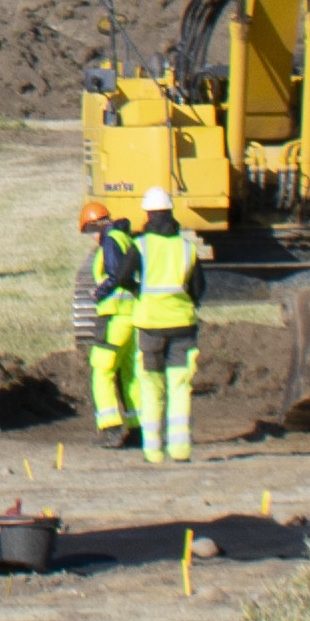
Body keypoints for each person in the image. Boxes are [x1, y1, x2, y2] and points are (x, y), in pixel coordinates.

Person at [105, 183, 206, 463]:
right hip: (182, 326)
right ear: (171, 213)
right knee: (180, 386)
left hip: (150, 326)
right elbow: (198, 288)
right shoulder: (187, 248)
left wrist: (139, 291)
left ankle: (152, 450)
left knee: (150, 385)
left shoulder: (140, 246)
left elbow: (121, 277)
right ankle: (181, 449)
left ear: (147, 215)